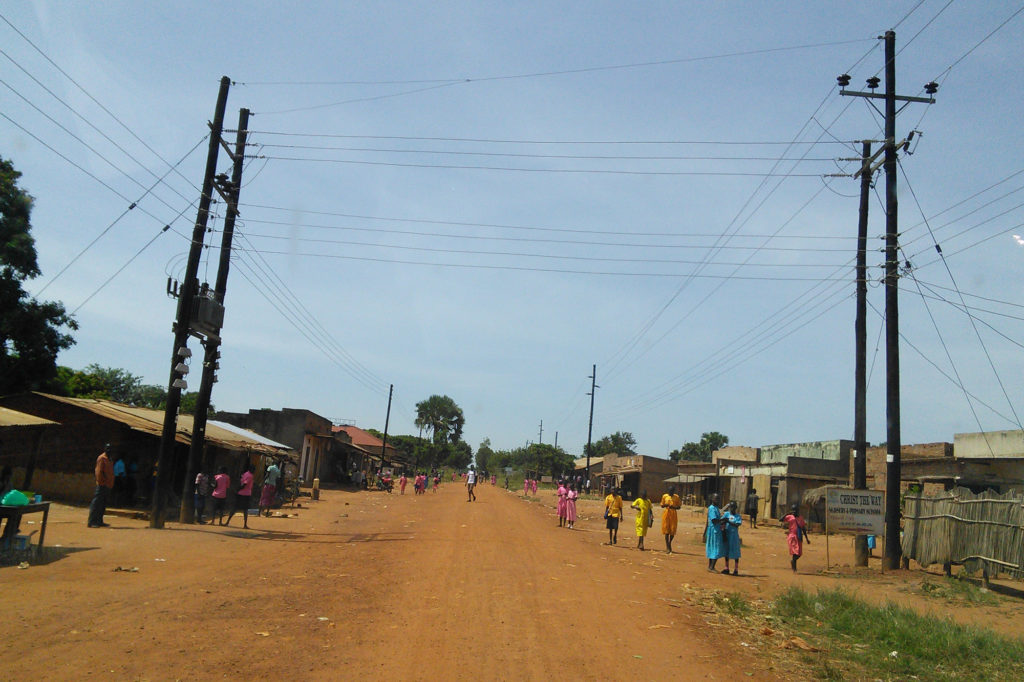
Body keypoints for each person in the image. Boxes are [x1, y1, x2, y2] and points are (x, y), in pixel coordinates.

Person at [88, 444, 115, 528]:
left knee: (103, 504)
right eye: (107, 448)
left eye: (110, 449)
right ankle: (92, 522)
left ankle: (99, 521)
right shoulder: (102, 458)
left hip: (108, 485)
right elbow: (99, 472)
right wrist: (101, 482)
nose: (109, 450)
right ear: (104, 449)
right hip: (102, 484)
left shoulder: (110, 459)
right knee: (97, 503)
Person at [781, 503, 810, 573]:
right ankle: (794, 567)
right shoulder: (790, 517)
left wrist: (807, 538)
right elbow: (781, 519)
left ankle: (793, 562)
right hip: (792, 536)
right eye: (793, 510)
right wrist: (787, 513)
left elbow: (803, 528)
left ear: (798, 511)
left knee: (799, 553)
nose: (794, 512)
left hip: (799, 536)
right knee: (795, 552)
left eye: (795, 510)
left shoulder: (800, 518)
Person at [226, 464, 254, 528]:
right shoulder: (250, 476)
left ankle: (228, 521)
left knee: (235, 508)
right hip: (246, 494)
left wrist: (237, 490)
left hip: (240, 493)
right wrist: (238, 489)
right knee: (245, 509)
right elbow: (244, 484)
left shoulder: (245, 474)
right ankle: (245, 524)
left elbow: (241, 482)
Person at [705, 493, 725, 572]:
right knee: (715, 548)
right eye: (716, 499)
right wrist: (723, 520)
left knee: (713, 548)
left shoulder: (716, 508)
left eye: (718, 499)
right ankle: (712, 567)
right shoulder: (712, 508)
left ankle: (710, 566)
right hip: (714, 530)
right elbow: (714, 520)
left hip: (716, 530)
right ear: (712, 499)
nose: (717, 500)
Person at [722, 500, 742, 575]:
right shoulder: (726, 514)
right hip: (727, 535)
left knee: (735, 552)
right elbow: (722, 521)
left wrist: (729, 522)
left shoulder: (738, 516)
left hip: (734, 537)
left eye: (733, 507)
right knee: (726, 551)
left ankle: (736, 569)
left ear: (735, 508)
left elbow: (737, 525)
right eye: (731, 507)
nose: (732, 508)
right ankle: (726, 567)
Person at [660, 485, 682, 554]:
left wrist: (674, 507)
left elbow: (679, 507)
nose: (671, 492)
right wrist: (665, 505)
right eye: (670, 491)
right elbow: (661, 505)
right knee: (666, 530)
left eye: (672, 491)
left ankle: (669, 542)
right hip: (666, 513)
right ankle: (667, 546)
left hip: (673, 514)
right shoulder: (665, 496)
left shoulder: (677, 497)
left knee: (672, 530)